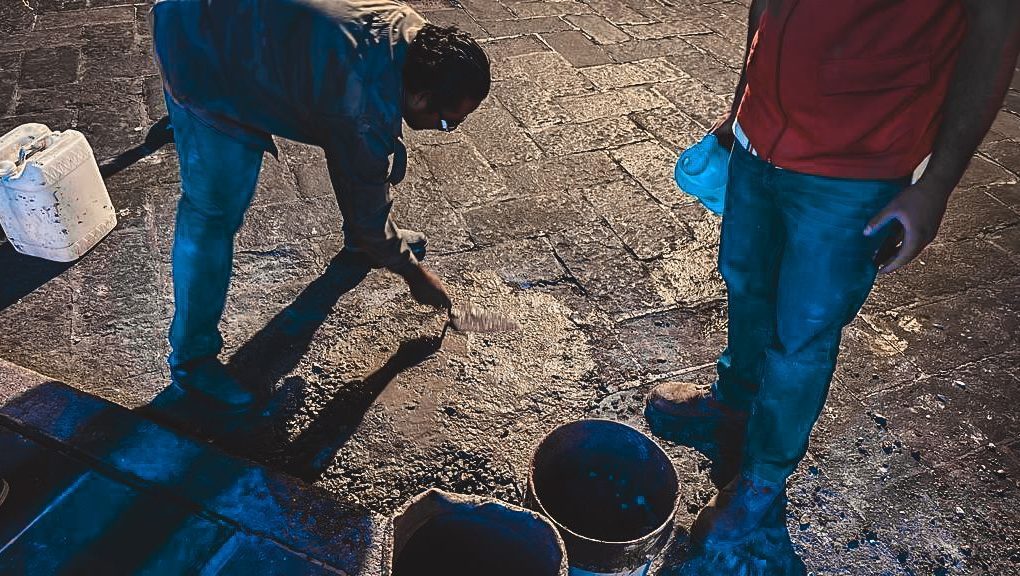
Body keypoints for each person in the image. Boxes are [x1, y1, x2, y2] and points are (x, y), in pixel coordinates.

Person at [646, 0, 1020, 551]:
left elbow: (996, 25)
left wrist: (937, 184)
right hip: (757, 141)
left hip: (857, 168)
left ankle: (763, 477)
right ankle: (733, 402)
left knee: (802, 335)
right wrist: (739, 112)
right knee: (746, 286)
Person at [149, 0, 490, 410]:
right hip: (200, 50)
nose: (448, 130)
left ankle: (366, 244)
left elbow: (361, 168)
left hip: (245, 24)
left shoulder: (412, 32)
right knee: (212, 213)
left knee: (363, 154)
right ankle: (192, 360)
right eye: (447, 121)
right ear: (421, 96)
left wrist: (378, 237)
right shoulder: (362, 107)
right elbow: (363, 186)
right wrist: (413, 274)